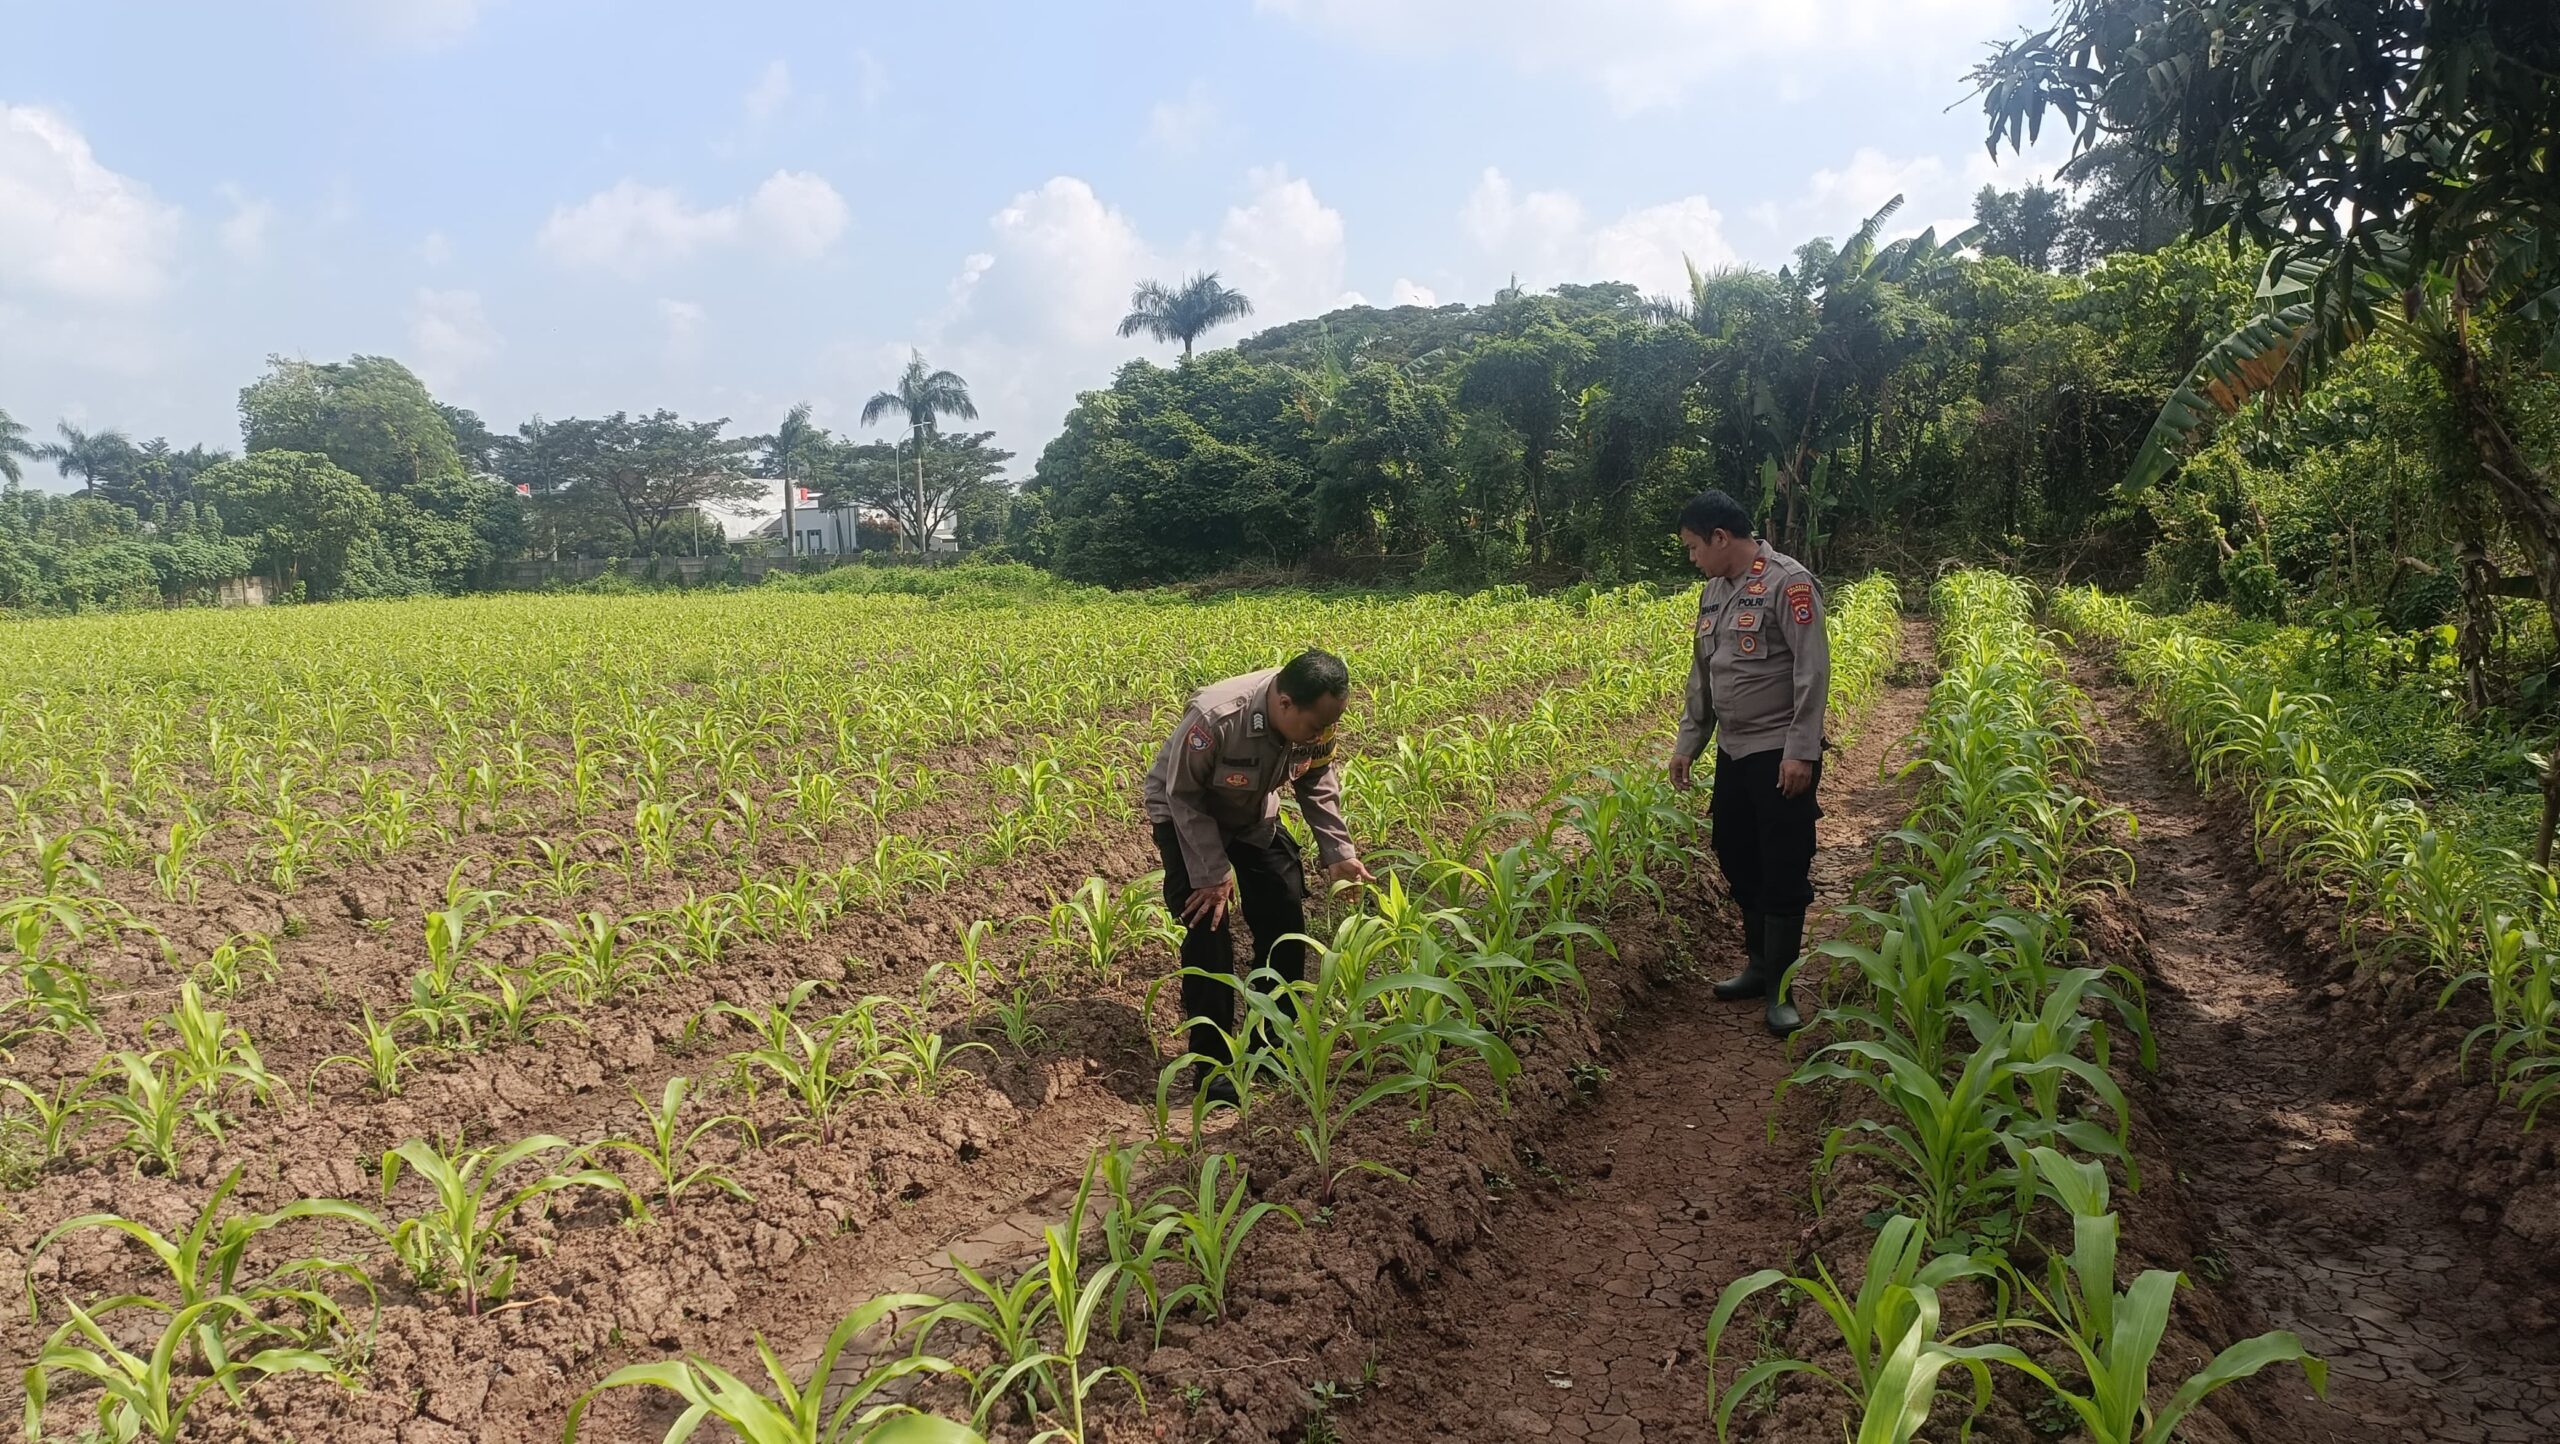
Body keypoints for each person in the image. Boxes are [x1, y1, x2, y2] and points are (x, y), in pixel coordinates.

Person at [1143, 648, 1374, 1101]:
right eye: (1314, 726)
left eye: (1329, 725)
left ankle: (1270, 1045)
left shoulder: (1318, 719)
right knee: (1207, 927)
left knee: (1284, 913)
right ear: (1284, 703)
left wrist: (1338, 852)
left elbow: (1317, 778)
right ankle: (1213, 1069)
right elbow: (1183, 797)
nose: (1322, 734)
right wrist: (1211, 873)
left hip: (1252, 815)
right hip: (1185, 818)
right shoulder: (1215, 718)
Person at [1667, 490, 1830, 1037]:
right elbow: (1703, 673)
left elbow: (1812, 672)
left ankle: (1782, 991)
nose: (1693, 559)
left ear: (1720, 537)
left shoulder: (1790, 583)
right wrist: (1690, 740)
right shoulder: (1714, 593)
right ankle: (1759, 967)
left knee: (1783, 862)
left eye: (1694, 547)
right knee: (1734, 852)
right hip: (1734, 750)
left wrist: (1801, 750)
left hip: (1780, 753)